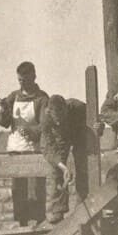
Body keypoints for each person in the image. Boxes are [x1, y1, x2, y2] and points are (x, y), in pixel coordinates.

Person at [0, 61, 49, 225]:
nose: (22, 84)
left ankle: (37, 223)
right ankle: (21, 223)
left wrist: (32, 131)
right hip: (15, 149)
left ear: (33, 77)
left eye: (25, 80)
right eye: (20, 80)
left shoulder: (42, 98)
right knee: (18, 190)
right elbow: (3, 123)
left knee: (34, 190)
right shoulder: (14, 96)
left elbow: (46, 125)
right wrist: (5, 110)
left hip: (33, 150)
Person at [41, 95, 88, 224]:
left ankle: (83, 204)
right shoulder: (46, 118)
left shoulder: (79, 107)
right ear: (49, 112)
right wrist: (63, 167)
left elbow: (96, 118)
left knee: (83, 165)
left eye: (60, 117)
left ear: (66, 109)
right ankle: (57, 209)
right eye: (55, 120)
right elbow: (48, 148)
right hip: (62, 135)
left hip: (81, 131)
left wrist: (98, 126)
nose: (58, 121)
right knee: (55, 167)